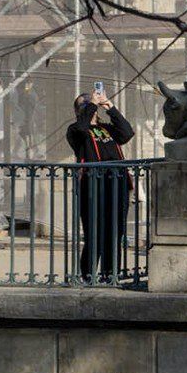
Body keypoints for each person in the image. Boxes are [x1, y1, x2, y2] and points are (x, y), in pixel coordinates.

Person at [65, 88, 135, 282]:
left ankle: (111, 275)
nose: (90, 104)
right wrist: (92, 105)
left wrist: (110, 107)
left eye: (91, 102)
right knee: (94, 231)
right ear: (78, 110)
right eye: (84, 103)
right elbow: (82, 128)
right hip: (93, 185)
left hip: (117, 184)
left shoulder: (107, 129)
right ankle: (88, 276)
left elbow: (127, 133)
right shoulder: (75, 130)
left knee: (115, 233)